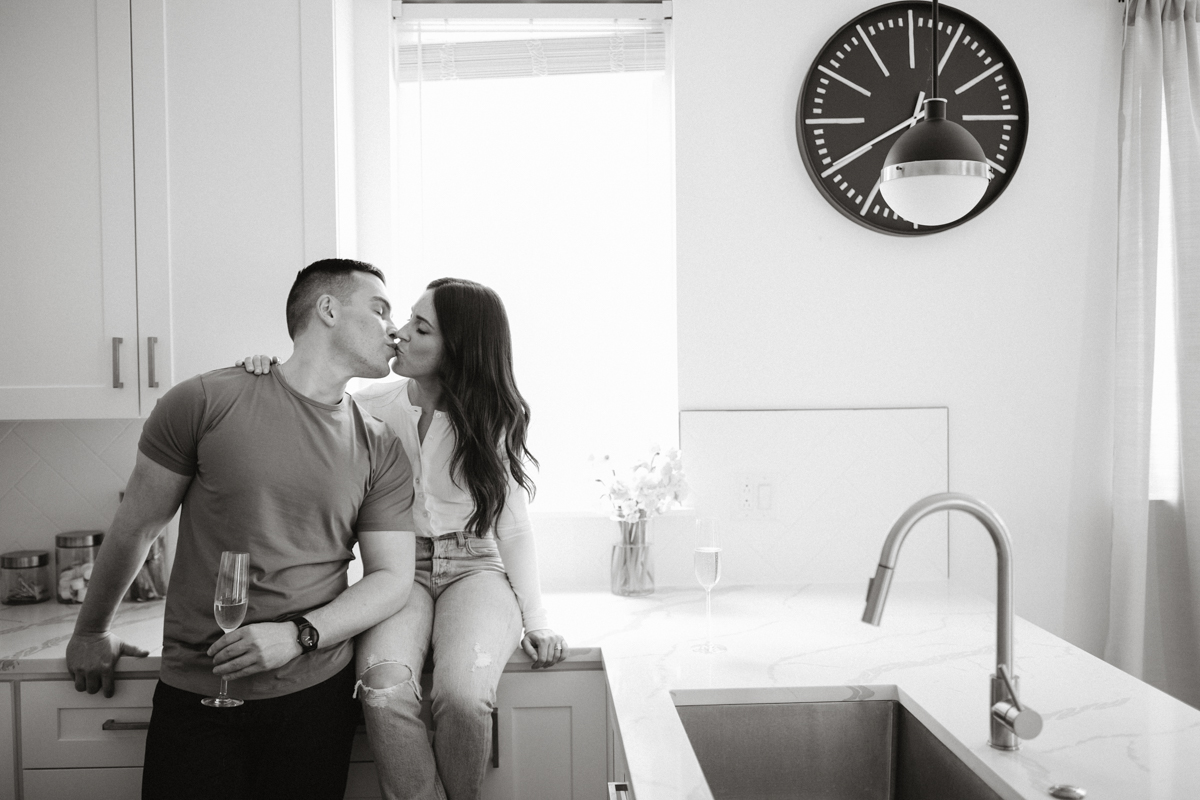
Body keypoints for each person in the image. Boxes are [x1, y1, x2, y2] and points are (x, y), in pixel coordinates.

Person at [65, 258, 419, 800]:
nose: (393, 328)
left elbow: (393, 578)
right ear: (327, 309)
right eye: (379, 309)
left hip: (315, 695)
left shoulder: (380, 445)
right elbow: (136, 525)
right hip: (197, 692)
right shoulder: (204, 401)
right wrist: (91, 631)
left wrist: (298, 636)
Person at [240, 277, 567, 800]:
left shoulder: (493, 419)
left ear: (457, 348)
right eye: (405, 319)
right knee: (383, 691)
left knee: (462, 697)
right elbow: (303, 396)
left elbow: (513, 528)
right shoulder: (370, 403)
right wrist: (264, 373)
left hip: (476, 568)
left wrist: (537, 620)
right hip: (397, 573)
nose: (398, 333)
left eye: (420, 327)